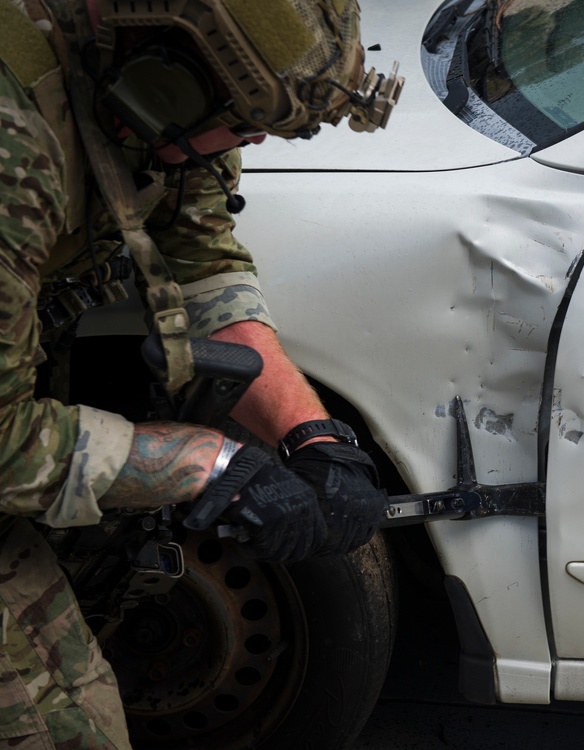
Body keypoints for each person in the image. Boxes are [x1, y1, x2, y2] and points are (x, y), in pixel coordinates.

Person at [0, 0, 402, 746]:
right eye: (245, 121)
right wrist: (207, 465)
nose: (248, 141)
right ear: (162, 77)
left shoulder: (156, 95)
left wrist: (309, 434)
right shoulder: (14, 147)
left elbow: (202, 260)